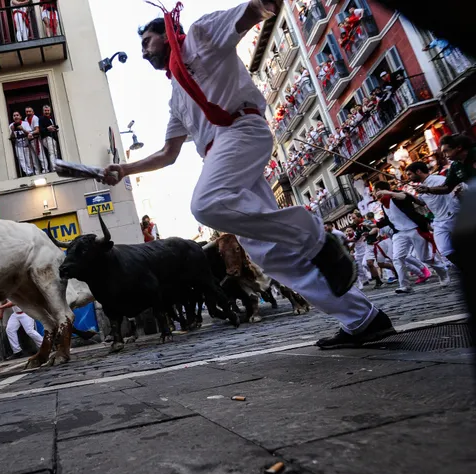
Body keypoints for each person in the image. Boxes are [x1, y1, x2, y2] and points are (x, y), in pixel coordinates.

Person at [102, 1, 394, 350]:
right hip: (222, 156)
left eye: (147, 41)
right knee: (272, 256)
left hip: (241, 130)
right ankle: (364, 319)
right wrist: (125, 169)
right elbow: (168, 154)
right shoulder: (177, 97)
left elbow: (256, 11)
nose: (143, 52)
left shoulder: (200, 35)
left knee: (206, 204)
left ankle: (316, 236)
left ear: (168, 35)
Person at [372, 181, 450, 294]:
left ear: (379, 189)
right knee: (397, 258)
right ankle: (404, 285)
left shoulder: (397, 195)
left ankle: (443, 273)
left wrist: (388, 192)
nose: (374, 194)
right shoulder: (383, 205)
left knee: (425, 258)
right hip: (399, 233)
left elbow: (404, 196)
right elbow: (390, 219)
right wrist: (375, 225)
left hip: (414, 229)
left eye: (375, 191)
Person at [406, 161, 461, 268]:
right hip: (439, 220)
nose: (408, 177)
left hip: (453, 215)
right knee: (445, 250)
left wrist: (428, 190)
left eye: (409, 174)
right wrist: (408, 195)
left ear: (418, 171)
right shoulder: (421, 186)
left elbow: (449, 190)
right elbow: (421, 202)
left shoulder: (439, 180)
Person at [9, 111, 34, 176]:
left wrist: (22, 129)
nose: (16, 117)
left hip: (26, 144)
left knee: (28, 160)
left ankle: (31, 172)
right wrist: (12, 131)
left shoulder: (25, 123)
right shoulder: (11, 125)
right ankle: (28, 173)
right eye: (14, 115)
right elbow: (11, 138)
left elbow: (30, 134)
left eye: (17, 115)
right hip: (18, 145)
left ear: (20, 117)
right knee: (21, 160)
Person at [25, 106, 48, 173]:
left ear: (33, 112)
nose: (28, 113)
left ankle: (45, 168)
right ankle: (37, 170)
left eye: (30, 111)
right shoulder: (26, 119)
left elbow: (37, 130)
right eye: (27, 111)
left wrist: (30, 133)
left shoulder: (35, 118)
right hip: (30, 140)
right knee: (33, 156)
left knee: (40, 154)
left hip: (36, 139)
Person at [39, 105, 60, 172]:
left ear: (50, 111)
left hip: (52, 137)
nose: (47, 112)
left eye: (48, 110)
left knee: (55, 152)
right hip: (46, 138)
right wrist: (48, 128)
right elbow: (41, 129)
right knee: (52, 152)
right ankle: (54, 167)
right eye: (45, 110)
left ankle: (54, 166)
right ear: (43, 111)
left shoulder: (51, 119)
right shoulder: (41, 119)